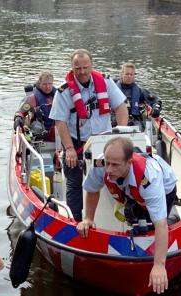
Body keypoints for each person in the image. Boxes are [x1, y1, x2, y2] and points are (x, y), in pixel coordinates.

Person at [77, 137, 177, 294]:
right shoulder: (101, 164)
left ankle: (173, 218)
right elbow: (92, 189)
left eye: (115, 165)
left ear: (129, 162)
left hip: (165, 188)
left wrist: (159, 265)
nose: (109, 170)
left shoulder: (149, 179)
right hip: (129, 188)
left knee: (151, 225)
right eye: (108, 163)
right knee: (133, 214)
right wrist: (88, 218)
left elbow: (160, 225)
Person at [49, 49, 129, 221]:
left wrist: (121, 134)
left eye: (86, 67)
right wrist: (69, 148)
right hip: (77, 144)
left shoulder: (106, 83)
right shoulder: (63, 92)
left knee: (122, 174)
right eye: (78, 68)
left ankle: (126, 216)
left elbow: (121, 108)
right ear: (72, 68)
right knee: (74, 183)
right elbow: (60, 122)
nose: (82, 72)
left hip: (105, 141)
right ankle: (74, 221)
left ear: (91, 65)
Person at [13, 71, 56, 142]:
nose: (47, 87)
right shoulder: (32, 98)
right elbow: (21, 112)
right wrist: (18, 118)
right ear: (39, 83)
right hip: (39, 132)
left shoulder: (59, 96)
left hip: (57, 131)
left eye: (49, 84)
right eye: (44, 84)